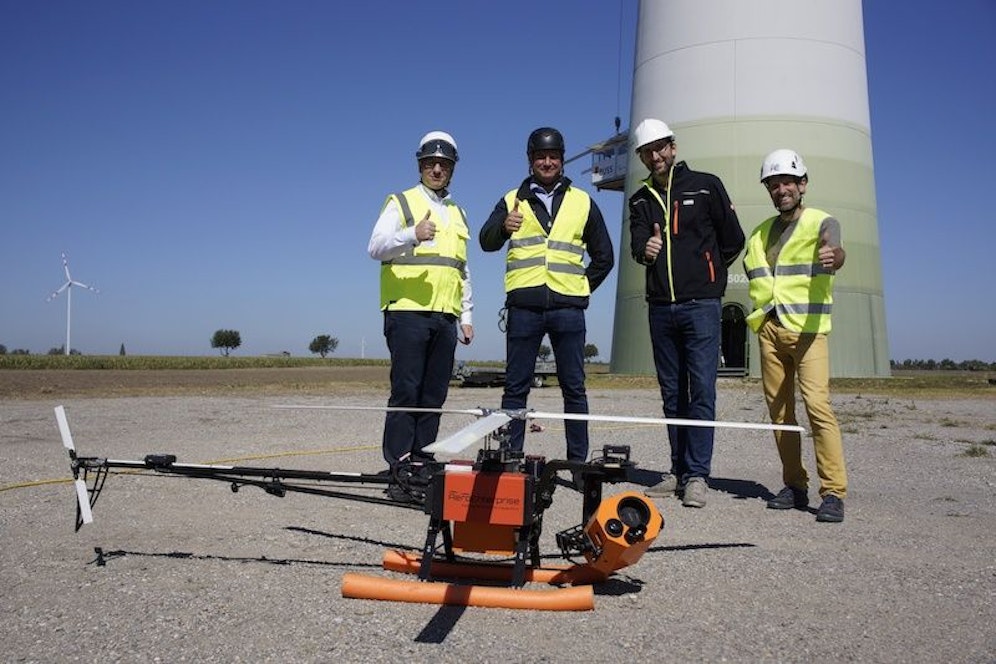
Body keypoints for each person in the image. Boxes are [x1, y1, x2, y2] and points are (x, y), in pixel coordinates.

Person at [628, 118, 745, 508]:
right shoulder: (640, 198)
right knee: (672, 392)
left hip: (701, 305)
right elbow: (636, 246)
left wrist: (709, 275)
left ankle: (697, 475)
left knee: (702, 391)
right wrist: (647, 250)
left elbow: (734, 240)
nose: (656, 156)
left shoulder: (706, 185)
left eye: (661, 147)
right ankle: (677, 470)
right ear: (643, 157)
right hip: (661, 307)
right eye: (648, 151)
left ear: (673, 147)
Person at [479, 127, 614, 464]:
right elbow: (486, 241)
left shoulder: (583, 201)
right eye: (541, 156)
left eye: (553, 156)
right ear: (531, 160)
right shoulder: (512, 200)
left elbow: (605, 257)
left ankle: (578, 463)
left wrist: (581, 287)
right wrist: (502, 227)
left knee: (574, 388)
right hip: (524, 307)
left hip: (568, 309)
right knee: (516, 387)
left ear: (562, 160)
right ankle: (512, 458)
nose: (548, 161)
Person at [367, 130, 474, 500]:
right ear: (420, 165)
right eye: (430, 163)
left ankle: (423, 467)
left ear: (452, 168)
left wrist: (466, 314)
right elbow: (375, 247)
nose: (437, 169)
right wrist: (412, 233)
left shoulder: (458, 213)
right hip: (408, 313)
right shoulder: (401, 202)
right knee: (406, 392)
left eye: (444, 164)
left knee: (433, 396)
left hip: (445, 317)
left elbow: (460, 267)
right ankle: (398, 471)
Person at [744, 148, 847, 523]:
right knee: (780, 413)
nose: (780, 189)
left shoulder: (822, 222)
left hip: (807, 331)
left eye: (787, 182)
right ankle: (795, 485)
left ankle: (833, 492)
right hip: (770, 330)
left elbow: (835, 247)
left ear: (802, 184)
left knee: (818, 408)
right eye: (773, 184)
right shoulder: (758, 233)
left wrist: (834, 255)